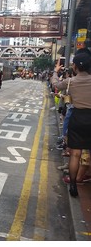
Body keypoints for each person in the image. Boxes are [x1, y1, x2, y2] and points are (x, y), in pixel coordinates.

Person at [51, 51, 91, 197]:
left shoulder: (70, 82)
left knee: (75, 154)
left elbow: (55, 84)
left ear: (74, 67)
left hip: (77, 118)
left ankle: (73, 185)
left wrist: (56, 72)